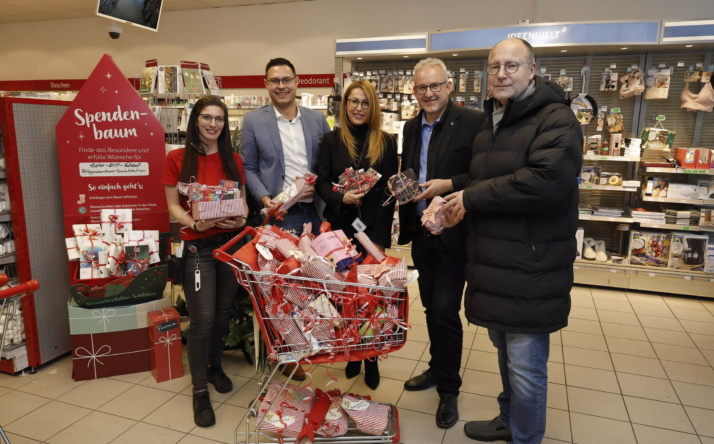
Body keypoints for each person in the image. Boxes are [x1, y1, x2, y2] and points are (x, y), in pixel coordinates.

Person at [441, 38, 583, 444]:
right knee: (505, 353)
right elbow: (491, 179)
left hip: (530, 265)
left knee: (526, 367)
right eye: (494, 66)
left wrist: (470, 197)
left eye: (512, 66)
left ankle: (525, 437)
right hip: (497, 262)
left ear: (533, 69)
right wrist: (454, 188)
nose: (501, 74)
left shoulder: (556, 119)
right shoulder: (494, 121)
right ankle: (508, 419)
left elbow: (545, 181)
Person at [396, 58, 486, 429]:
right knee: (432, 307)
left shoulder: (473, 122)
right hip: (421, 231)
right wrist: (401, 185)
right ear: (414, 91)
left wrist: (448, 185)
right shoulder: (411, 125)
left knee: (447, 310)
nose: (429, 94)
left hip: (453, 231)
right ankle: (436, 368)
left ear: (449, 86)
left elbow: (483, 172)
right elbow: (415, 170)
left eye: (435, 86)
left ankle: (449, 390)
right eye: (421, 88)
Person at [162, 95, 249, 428]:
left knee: (223, 312)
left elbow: (240, 203)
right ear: (195, 119)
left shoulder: (233, 159)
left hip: (227, 244)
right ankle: (199, 391)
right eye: (207, 117)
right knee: (202, 318)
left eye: (220, 119)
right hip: (197, 246)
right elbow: (172, 205)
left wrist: (239, 221)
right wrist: (194, 224)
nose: (214, 124)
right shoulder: (177, 159)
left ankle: (214, 367)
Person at [315, 79, 398, 390]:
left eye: (365, 102)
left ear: (372, 106)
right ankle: (352, 352)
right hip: (340, 231)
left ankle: (372, 356)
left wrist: (380, 241)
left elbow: (389, 194)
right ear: (344, 105)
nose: (358, 108)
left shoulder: (386, 142)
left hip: (372, 230)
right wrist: (341, 198)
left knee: (372, 296)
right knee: (346, 294)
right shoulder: (331, 140)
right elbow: (321, 183)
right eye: (353, 101)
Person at [241, 57, 331, 235]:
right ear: (266, 84)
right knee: (286, 262)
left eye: (286, 80)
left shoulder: (316, 119)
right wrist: (264, 198)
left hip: (316, 210)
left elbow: (328, 162)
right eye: (275, 81)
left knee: (319, 262)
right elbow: (248, 167)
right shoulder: (253, 121)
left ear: (296, 81)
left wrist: (318, 186)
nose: (281, 86)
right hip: (280, 212)